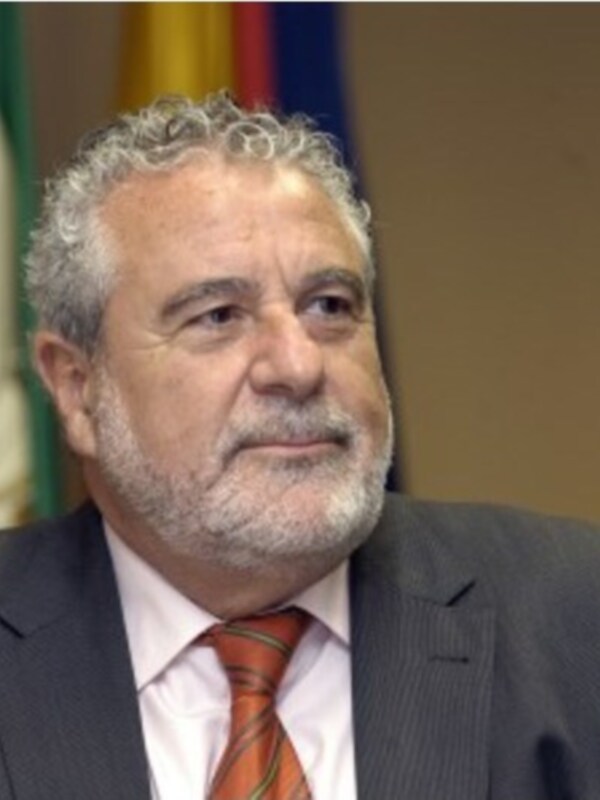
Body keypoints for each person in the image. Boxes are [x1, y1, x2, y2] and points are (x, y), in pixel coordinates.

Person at [1, 93, 600, 800]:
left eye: (330, 307)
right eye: (218, 316)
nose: (298, 365)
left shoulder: (574, 614)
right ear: (76, 388)